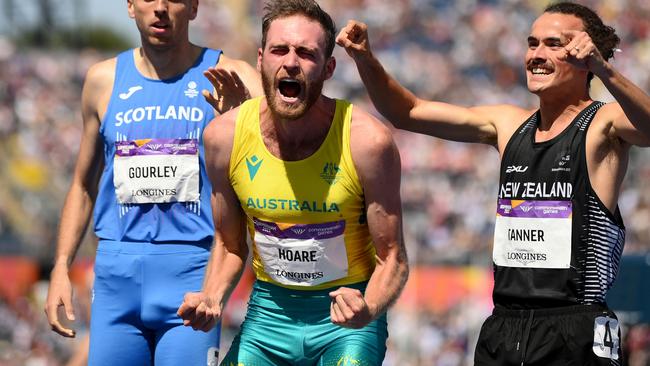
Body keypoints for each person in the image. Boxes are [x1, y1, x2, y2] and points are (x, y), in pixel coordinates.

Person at [337, 1, 650, 365]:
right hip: (504, 327)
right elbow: (407, 112)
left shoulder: (603, 124)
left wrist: (605, 69)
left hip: (574, 325)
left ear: (585, 55)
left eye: (553, 44)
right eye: (532, 43)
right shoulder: (508, 124)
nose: (537, 54)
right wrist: (364, 59)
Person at [177, 0, 409, 364]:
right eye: (279, 50)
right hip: (269, 314)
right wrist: (211, 296)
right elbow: (229, 242)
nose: (290, 62)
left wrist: (369, 308)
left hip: (345, 321)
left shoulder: (367, 142)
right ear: (260, 59)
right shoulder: (223, 137)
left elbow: (392, 257)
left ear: (328, 68)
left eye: (306, 53)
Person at [43, 0, 261, 365]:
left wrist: (245, 123)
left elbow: (283, 153)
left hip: (193, 273)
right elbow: (83, 185)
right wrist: (61, 267)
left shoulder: (232, 76)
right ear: (130, 6)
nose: (160, 7)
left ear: (193, 7)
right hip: (116, 276)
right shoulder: (103, 80)